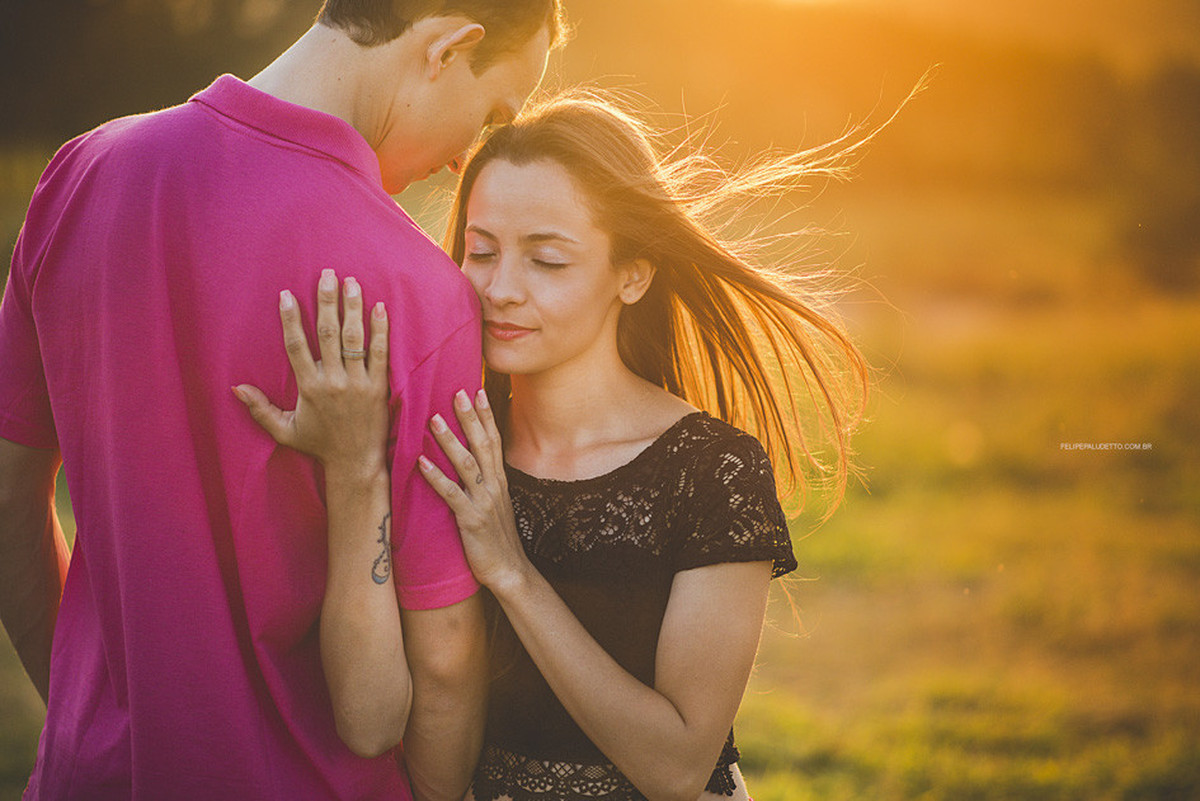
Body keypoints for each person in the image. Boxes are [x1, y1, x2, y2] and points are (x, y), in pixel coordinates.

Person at [0, 1, 564, 798]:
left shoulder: (80, 176)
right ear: (447, 48)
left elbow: (6, 495)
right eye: (493, 114)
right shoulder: (419, 295)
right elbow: (442, 658)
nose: (460, 161)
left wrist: (95, 717)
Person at [240, 92, 870, 800]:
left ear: (632, 273)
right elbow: (368, 718)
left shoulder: (713, 471)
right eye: (480, 251)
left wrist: (513, 571)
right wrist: (353, 466)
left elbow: (676, 767)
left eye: (547, 260)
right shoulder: (448, 443)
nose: (500, 289)